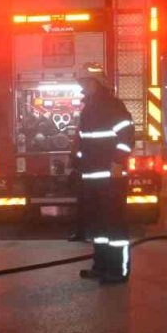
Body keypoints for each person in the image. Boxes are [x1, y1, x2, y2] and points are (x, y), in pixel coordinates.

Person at [74, 62, 134, 283]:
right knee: (98, 227)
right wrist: (78, 164)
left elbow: (126, 136)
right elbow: (85, 142)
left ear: (97, 83)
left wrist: (118, 163)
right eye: (81, 82)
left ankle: (118, 272)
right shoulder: (89, 108)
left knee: (115, 228)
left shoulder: (112, 106)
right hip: (92, 178)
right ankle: (101, 266)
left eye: (86, 81)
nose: (83, 85)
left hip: (110, 178)